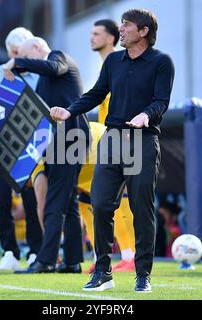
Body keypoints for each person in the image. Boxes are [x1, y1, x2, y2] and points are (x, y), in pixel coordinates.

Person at [50, 9, 175, 292]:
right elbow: (96, 94)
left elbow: (161, 101)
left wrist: (146, 115)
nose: (121, 29)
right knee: (102, 203)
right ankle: (103, 272)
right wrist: (70, 112)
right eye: (121, 24)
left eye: (127, 25)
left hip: (142, 140)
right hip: (112, 139)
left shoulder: (162, 62)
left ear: (143, 31)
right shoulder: (114, 61)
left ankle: (143, 274)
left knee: (141, 208)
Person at [3, 37, 90, 274]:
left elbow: (53, 67)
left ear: (38, 48)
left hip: (69, 136)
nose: (25, 61)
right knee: (68, 201)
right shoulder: (45, 76)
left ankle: (46, 260)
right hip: (60, 138)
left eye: (26, 55)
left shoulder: (58, 56)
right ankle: (72, 261)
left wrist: (17, 62)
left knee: (54, 199)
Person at [0, 27, 42, 271]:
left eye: (21, 53)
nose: (18, 58)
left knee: (31, 200)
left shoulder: (40, 74)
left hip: (31, 147)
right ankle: (9, 251)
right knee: (1, 201)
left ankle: (36, 251)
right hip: (2, 145)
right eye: (14, 53)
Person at [86, 18, 136, 273]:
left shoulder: (119, 63)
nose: (91, 37)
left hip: (122, 136)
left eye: (97, 33)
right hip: (103, 138)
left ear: (111, 37)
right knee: (94, 198)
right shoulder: (105, 65)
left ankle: (131, 256)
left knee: (123, 199)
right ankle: (103, 256)